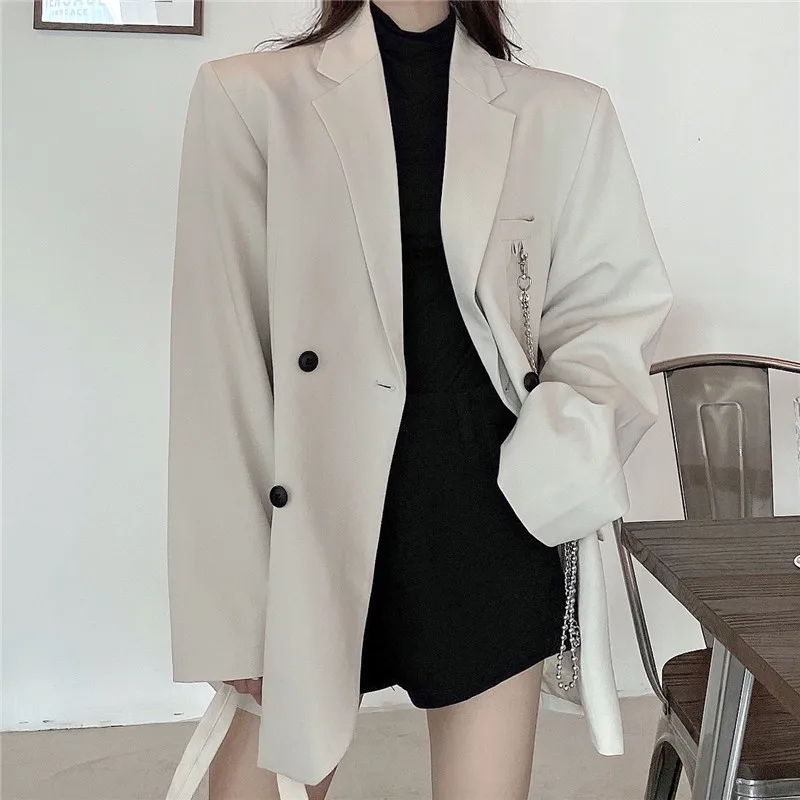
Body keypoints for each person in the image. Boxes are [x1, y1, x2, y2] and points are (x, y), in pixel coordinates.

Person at [165, 1, 674, 799]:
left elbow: (607, 311)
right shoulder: (250, 98)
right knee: (269, 774)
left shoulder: (563, 113)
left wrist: (559, 455)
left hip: (489, 510)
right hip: (310, 510)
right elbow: (220, 358)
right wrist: (234, 607)